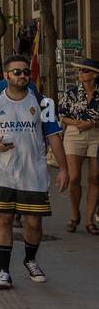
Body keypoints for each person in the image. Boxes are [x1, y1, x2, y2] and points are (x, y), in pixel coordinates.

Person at [0, 55, 68, 289]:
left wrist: (64, 169)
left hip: (33, 173)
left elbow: (54, 137)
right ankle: (4, 271)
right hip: (2, 173)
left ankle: (30, 259)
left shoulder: (43, 102)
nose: (22, 76)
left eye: (26, 72)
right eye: (17, 72)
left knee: (34, 223)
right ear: (6, 76)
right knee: (4, 219)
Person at [58, 57, 99, 234]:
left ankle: (90, 220)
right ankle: (75, 215)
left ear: (95, 75)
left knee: (95, 177)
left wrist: (92, 124)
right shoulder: (71, 93)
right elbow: (61, 115)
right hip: (75, 133)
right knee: (74, 177)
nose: (81, 73)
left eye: (85, 71)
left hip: (97, 134)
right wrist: (77, 123)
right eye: (80, 70)